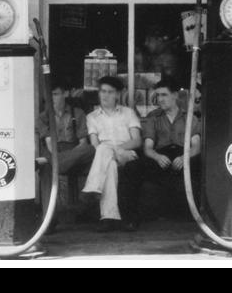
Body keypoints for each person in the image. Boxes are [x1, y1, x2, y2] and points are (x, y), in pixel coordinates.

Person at [135, 78, 202, 219]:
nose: (160, 99)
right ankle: (132, 218)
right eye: (158, 95)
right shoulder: (153, 117)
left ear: (175, 95)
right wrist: (157, 157)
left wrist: (185, 158)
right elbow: (148, 147)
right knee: (132, 167)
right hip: (161, 156)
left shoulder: (189, 117)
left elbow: (196, 146)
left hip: (183, 155)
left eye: (164, 95)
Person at [83, 76, 143, 231]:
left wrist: (116, 149)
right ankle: (109, 217)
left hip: (126, 154)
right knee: (109, 164)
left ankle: (93, 187)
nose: (105, 95)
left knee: (105, 149)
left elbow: (137, 141)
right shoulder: (92, 117)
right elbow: (95, 144)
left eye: (110, 92)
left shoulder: (128, 113)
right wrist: (109, 152)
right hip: (104, 158)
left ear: (117, 94)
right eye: (102, 91)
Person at [36, 82, 95, 213]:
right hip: (54, 151)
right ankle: (50, 220)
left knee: (92, 150)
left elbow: (83, 143)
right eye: (49, 95)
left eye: (55, 94)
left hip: (74, 152)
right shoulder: (43, 117)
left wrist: (67, 158)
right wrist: (57, 159)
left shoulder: (78, 113)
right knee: (46, 170)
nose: (52, 98)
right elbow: (49, 143)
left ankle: (52, 161)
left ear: (65, 94)